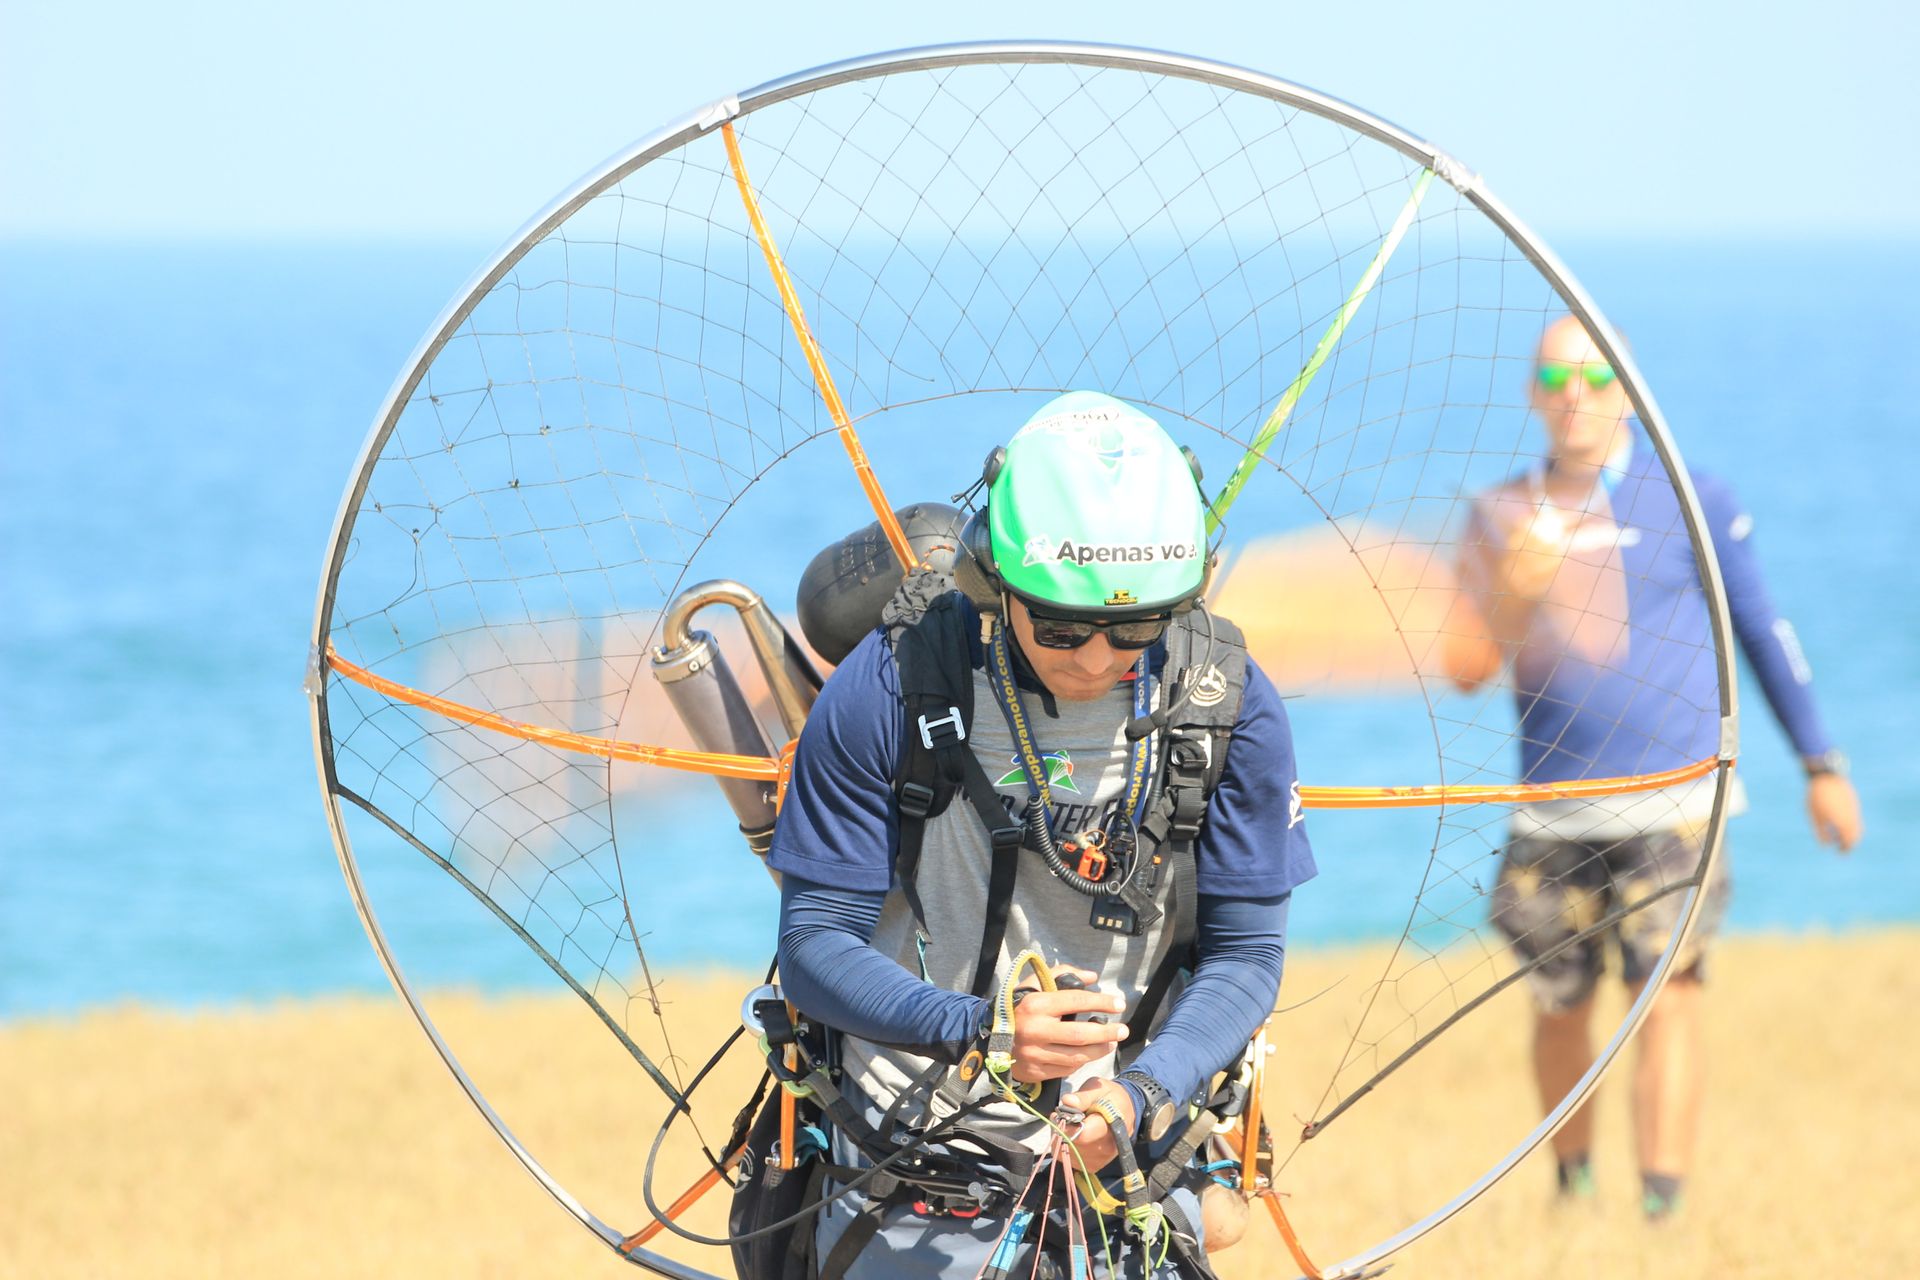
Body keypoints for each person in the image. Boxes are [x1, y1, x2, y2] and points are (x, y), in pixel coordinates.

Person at [762, 391, 1316, 1278]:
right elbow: (814, 945)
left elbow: (1247, 955)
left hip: (1128, 1159)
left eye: (1137, 626)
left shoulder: (1227, 704)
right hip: (911, 1165)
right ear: (993, 577)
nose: (1096, 658)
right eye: (1061, 626)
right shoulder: (891, 684)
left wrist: (1141, 1093)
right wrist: (982, 1030)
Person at [1443, 315, 1863, 1220]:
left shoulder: (1691, 497)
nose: (1575, 397)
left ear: (1628, 393)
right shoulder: (1500, 513)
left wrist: (1820, 763)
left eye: (1596, 378)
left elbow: (1762, 629)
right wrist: (1517, 592)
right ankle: (1574, 1188)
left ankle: (1662, 1210)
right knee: (1560, 1007)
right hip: (1552, 812)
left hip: (1676, 805)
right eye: (1555, 380)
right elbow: (1466, 668)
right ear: (1531, 395)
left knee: (1667, 994)